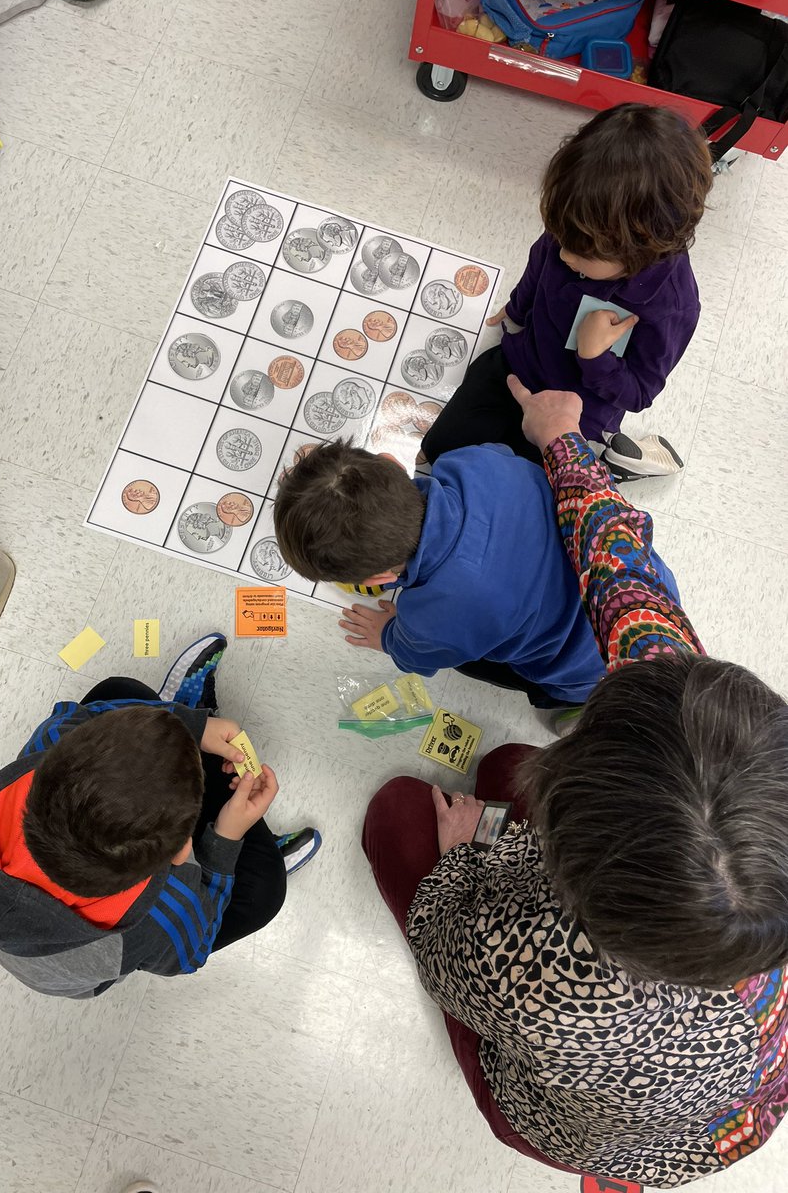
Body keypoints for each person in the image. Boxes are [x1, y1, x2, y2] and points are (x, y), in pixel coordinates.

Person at [363, 376, 788, 1187]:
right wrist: (563, 442)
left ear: (573, 881)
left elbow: (448, 960)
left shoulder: (554, 981)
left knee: (398, 814)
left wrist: (462, 864)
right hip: (741, 1105)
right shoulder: (687, 710)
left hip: (598, 1129)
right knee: (500, 769)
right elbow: (625, 580)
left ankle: (599, 1171)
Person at [0, 634, 321, 999]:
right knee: (264, 890)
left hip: (12, 893)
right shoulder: (161, 917)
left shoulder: (48, 743)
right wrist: (226, 839)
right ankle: (250, 855)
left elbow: (92, 714)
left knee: (117, 690)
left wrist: (193, 726)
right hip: (127, 938)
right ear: (182, 852)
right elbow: (194, 950)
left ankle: (179, 715)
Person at [274, 438, 675, 716]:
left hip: (595, 671)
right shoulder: (469, 463)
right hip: (650, 598)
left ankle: (575, 709)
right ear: (393, 462)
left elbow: (416, 655)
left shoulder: (432, 618)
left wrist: (390, 636)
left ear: (379, 577)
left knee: (477, 664)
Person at [422, 103, 713, 481]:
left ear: (641, 249)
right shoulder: (578, 226)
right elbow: (539, 263)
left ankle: (616, 460)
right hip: (517, 367)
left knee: (516, 492)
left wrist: (595, 356)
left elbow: (639, 393)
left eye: (582, 253)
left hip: (575, 411)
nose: (563, 254)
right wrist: (517, 307)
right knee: (439, 452)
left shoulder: (671, 305)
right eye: (560, 237)